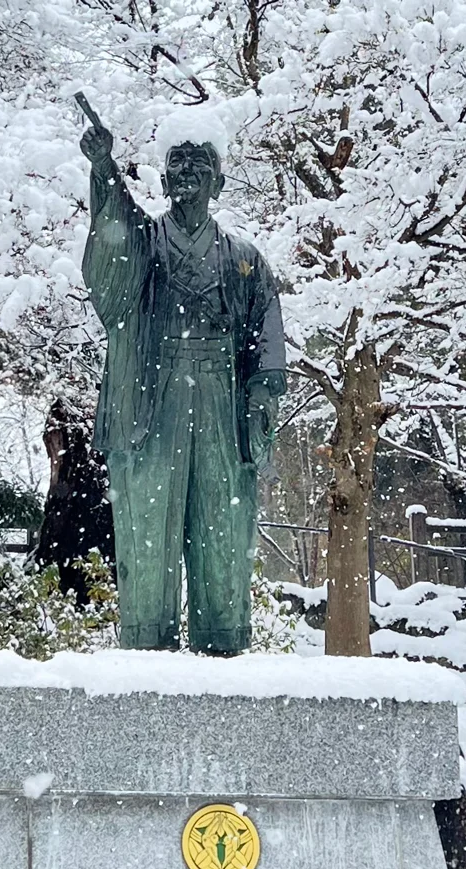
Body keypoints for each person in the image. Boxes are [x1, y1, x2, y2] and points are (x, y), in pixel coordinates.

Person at [79, 108, 285, 655]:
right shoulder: (146, 244)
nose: (188, 174)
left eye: (201, 164)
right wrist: (103, 170)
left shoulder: (244, 261)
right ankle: (147, 647)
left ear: (218, 181)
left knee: (222, 525)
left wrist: (260, 398)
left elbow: (268, 340)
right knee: (148, 525)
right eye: (178, 164)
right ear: (164, 180)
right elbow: (113, 242)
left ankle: (223, 643)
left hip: (221, 399)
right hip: (153, 394)